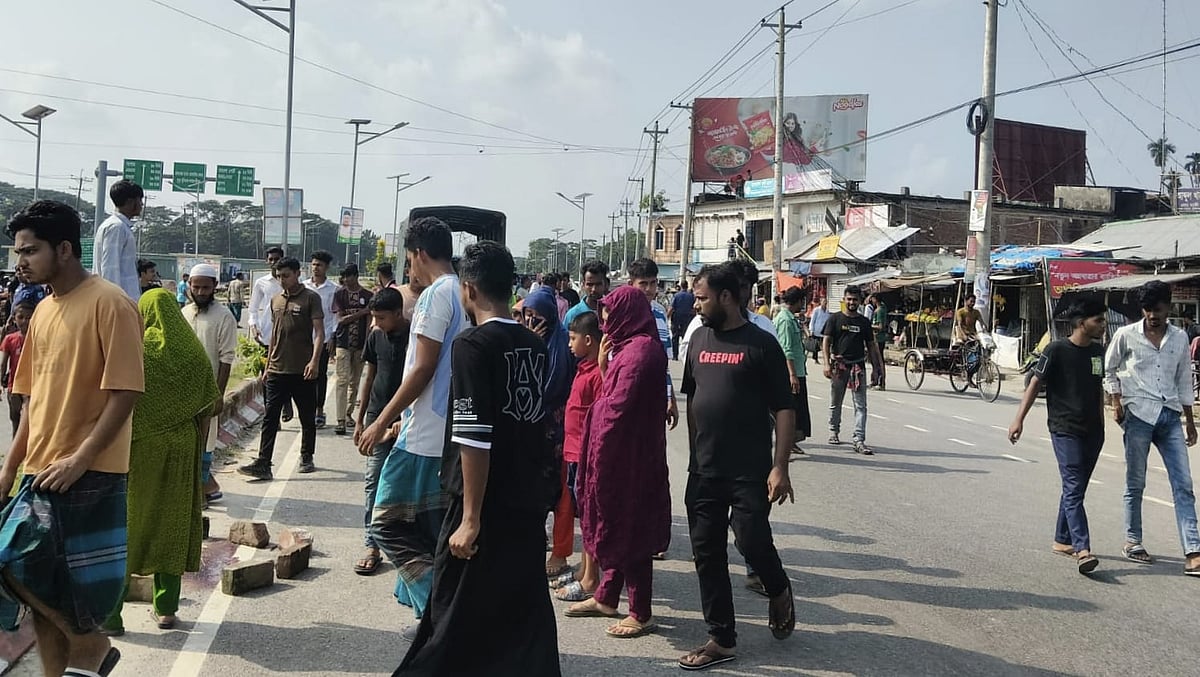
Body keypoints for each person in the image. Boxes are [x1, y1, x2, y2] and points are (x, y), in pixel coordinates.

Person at [397, 241, 561, 676]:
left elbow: (474, 435)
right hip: (525, 496)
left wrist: (470, 517)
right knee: (522, 604)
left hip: (484, 498)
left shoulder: (472, 344)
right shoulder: (534, 343)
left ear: (468, 290)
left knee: (453, 604)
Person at [0, 200, 143, 677]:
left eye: (29, 250)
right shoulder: (41, 311)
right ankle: (68, 663)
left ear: (64, 249)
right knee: (38, 592)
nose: (19, 260)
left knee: (62, 592)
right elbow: (30, 400)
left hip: (89, 471)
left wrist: (80, 459)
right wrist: (9, 466)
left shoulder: (109, 302)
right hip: (40, 469)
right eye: (17, 251)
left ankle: (92, 647)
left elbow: (125, 393)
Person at [678, 263, 795, 670]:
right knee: (706, 552)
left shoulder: (761, 345)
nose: (695, 304)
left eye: (702, 297)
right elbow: (693, 397)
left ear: (726, 297)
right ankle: (721, 637)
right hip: (705, 469)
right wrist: (695, 452)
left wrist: (780, 466)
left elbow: (784, 407)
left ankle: (778, 586)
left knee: (750, 540)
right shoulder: (697, 341)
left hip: (750, 470)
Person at [357, 217, 466, 628]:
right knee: (432, 529)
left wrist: (380, 421)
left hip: (424, 433)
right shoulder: (464, 291)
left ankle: (439, 610)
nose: (409, 270)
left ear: (418, 254)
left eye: (409, 260)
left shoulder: (436, 295)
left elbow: (422, 369)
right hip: (446, 429)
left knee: (385, 522)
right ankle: (431, 614)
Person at [104, 288, 219, 633]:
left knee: (127, 527)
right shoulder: (193, 354)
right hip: (183, 449)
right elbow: (211, 406)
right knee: (173, 523)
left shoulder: (138, 351)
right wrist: (200, 459)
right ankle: (166, 609)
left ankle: (110, 616)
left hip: (138, 450)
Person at [565, 285, 670, 640]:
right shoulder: (627, 348)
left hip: (630, 458)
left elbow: (616, 409)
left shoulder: (640, 353)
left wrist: (603, 369)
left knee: (631, 530)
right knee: (616, 527)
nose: (605, 321)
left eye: (609, 313)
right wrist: (605, 366)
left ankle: (641, 612)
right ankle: (607, 597)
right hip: (623, 454)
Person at [1105, 280, 1200, 575]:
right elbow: (1109, 368)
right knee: (1136, 483)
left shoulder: (1180, 338)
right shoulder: (1126, 335)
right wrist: (1117, 403)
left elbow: (1184, 380)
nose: (1152, 315)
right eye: (1147, 310)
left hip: (1170, 416)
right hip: (1139, 415)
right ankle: (1133, 541)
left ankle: (1194, 550)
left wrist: (1190, 422)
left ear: (1168, 307)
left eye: (1157, 310)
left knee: (1183, 485)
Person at [1008, 298, 1108, 575]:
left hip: (1093, 431)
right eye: (1097, 320)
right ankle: (1082, 548)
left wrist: (1102, 425)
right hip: (1064, 429)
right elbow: (1034, 383)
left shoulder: (1097, 353)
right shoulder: (1056, 350)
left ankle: (1061, 540)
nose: (1102, 325)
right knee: (1074, 486)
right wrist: (1019, 419)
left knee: (1076, 488)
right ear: (1080, 323)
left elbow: (1098, 388)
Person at [239, 257, 324, 479]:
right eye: (279, 276)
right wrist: (267, 366)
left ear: (297, 273)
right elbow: (274, 336)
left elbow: (319, 333)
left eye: (286, 275)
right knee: (270, 417)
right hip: (277, 368)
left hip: (302, 369)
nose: (282, 280)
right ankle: (263, 462)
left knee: (307, 416)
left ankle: (306, 455)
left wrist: (314, 361)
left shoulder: (310, 299)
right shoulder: (276, 300)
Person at [353, 288, 408, 576]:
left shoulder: (417, 338)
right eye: (374, 317)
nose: (376, 323)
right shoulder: (375, 336)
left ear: (399, 314)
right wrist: (360, 419)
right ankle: (371, 545)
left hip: (408, 423)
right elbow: (370, 375)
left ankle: (405, 549)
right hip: (376, 420)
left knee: (404, 487)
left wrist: (406, 420)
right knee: (373, 481)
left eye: (382, 318)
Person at [523, 285, 575, 579]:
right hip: (532, 427)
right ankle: (536, 539)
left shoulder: (566, 342)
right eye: (528, 315)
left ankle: (560, 551)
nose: (532, 321)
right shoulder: (525, 340)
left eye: (537, 315)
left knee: (562, 495)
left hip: (561, 428)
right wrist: (531, 344)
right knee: (534, 489)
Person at [553, 310, 604, 602]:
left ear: (588, 339)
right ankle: (584, 570)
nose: (569, 344)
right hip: (572, 452)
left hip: (585, 454)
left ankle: (589, 579)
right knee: (579, 514)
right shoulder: (584, 368)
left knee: (587, 517)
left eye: (573, 339)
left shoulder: (597, 374)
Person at [182, 263, 238, 505]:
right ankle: (199, 487)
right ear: (190, 287)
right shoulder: (183, 313)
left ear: (215, 286)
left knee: (205, 444)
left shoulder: (224, 316)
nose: (201, 292)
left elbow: (226, 359)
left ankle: (201, 490)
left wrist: (218, 395)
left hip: (209, 392)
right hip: (184, 393)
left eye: (206, 287)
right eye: (197, 287)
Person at [823, 285, 882, 454]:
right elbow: (826, 342)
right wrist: (827, 364)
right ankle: (834, 430)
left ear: (860, 301)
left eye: (855, 299)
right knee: (836, 402)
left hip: (858, 367)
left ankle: (859, 439)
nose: (851, 302)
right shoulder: (835, 319)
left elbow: (871, 345)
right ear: (844, 299)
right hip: (839, 367)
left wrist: (875, 368)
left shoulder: (864, 322)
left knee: (861, 405)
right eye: (848, 299)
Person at [248, 247, 289, 420]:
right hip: (266, 335)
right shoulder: (261, 283)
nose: (274, 262)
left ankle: (286, 403)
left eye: (277, 259)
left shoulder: (292, 281)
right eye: (271, 259)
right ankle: (271, 412)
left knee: (286, 373)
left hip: (287, 335)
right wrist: (253, 325)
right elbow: (252, 309)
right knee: (267, 374)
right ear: (267, 261)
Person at [332, 264, 373, 436]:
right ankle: (340, 419)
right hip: (343, 343)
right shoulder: (339, 295)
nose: (347, 280)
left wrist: (368, 344)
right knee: (342, 380)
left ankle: (348, 413)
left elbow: (371, 320)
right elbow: (340, 320)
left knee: (355, 381)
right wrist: (362, 312)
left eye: (349, 276)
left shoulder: (368, 295)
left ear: (356, 276)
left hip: (361, 344)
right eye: (344, 276)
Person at [304, 250, 339, 429]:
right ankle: (306, 408)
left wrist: (333, 336)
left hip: (323, 338)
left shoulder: (334, 290)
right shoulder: (303, 287)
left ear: (326, 267)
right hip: (303, 340)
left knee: (320, 375)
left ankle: (319, 409)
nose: (316, 268)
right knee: (302, 376)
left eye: (320, 265)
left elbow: (335, 315)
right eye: (314, 264)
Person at [775, 287, 811, 454]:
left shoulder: (792, 319)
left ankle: (791, 442)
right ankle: (785, 446)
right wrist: (792, 375)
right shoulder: (785, 320)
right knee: (790, 412)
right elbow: (785, 349)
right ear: (797, 301)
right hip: (792, 373)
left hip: (798, 371)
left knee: (799, 412)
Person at [93, 179, 143, 300]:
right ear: (131, 202)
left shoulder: (118, 225)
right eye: (140, 200)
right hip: (119, 301)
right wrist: (113, 302)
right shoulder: (117, 227)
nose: (142, 204)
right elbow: (110, 268)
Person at [0, 302, 33, 439]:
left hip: (33, 387)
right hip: (14, 387)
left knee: (31, 423)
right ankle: (17, 456)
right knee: (16, 422)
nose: (25, 320)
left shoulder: (37, 338)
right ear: (14, 318)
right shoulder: (10, 339)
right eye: (21, 317)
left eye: (29, 317)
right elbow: (3, 363)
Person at [564, 259, 610, 328]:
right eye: (590, 284)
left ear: (606, 284)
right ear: (583, 285)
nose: (594, 289)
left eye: (598, 284)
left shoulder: (613, 312)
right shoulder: (572, 315)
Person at [669, 279, 696, 360]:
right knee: (686, 337)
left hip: (677, 318)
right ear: (687, 286)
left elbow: (672, 308)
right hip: (687, 318)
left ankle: (675, 356)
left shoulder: (677, 295)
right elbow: (694, 308)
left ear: (680, 286)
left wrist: (667, 316)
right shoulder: (691, 296)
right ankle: (686, 356)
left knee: (675, 337)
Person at [869, 295, 889, 389]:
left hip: (879, 338)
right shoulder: (878, 309)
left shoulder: (880, 310)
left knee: (879, 361)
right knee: (874, 361)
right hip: (875, 338)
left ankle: (881, 383)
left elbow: (881, 326)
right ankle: (874, 380)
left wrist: (870, 326)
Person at [809, 297, 830, 364]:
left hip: (824, 331)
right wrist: (811, 329)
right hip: (816, 330)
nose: (825, 303)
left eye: (826, 302)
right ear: (821, 302)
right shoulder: (816, 310)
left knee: (824, 346)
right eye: (824, 301)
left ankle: (825, 359)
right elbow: (813, 320)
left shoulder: (827, 311)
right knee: (815, 346)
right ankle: (815, 359)